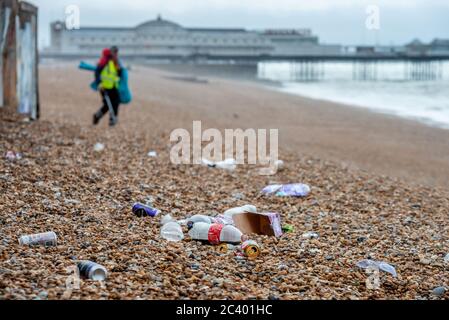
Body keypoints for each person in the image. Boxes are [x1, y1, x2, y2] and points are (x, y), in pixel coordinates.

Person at [93, 46, 122, 127]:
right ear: (110, 52)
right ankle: (97, 116)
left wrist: (119, 70)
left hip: (113, 87)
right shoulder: (105, 61)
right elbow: (97, 72)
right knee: (107, 105)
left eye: (116, 52)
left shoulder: (116, 62)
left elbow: (118, 74)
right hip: (104, 87)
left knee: (116, 102)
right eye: (114, 52)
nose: (115, 53)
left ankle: (112, 120)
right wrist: (99, 84)